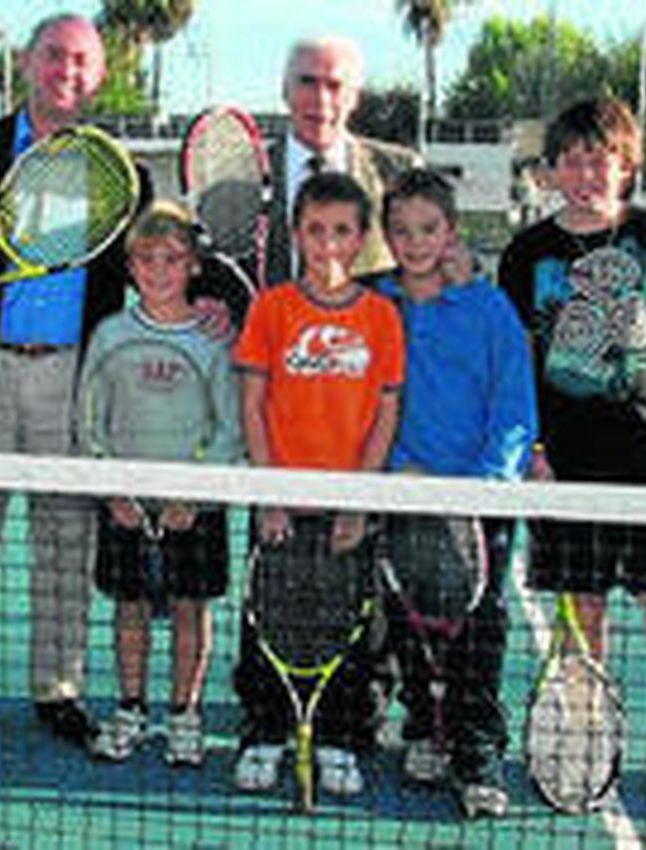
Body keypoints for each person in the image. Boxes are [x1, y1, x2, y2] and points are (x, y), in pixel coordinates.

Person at [0, 12, 148, 750]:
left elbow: (162, 266)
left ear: (100, 75)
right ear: (27, 62)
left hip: (72, 380)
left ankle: (59, 688)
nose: (66, 72)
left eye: (82, 61)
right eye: (54, 56)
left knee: (63, 543)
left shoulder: (124, 175)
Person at [497, 96, 646, 819]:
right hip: (567, 463)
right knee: (582, 607)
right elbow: (518, 360)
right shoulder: (527, 253)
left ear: (626, 164)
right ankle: (583, 737)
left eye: (599, 157)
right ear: (552, 171)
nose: (585, 171)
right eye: (570, 158)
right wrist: (532, 447)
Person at [230, 171, 402, 798]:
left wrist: (359, 499)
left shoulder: (381, 316)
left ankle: (340, 737)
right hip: (280, 502)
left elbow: (386, 411)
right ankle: (264, 732)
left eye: (342, 231)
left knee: (349, 627)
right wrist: (270, 491)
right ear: (296, 234)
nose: (328, 243)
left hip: (347, 506)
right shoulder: (271, 307)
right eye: (315, 230)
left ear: (360, 239)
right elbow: (252, 405)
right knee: (269, 622)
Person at [375, 169, 536, 819]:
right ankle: (423, 726)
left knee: (480, 628)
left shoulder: (488, 307)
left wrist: (485, 485)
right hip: (402, 496)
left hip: (476, 504)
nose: (416, 243)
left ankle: (476, 749)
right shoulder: (374, 305)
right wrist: (394, 473)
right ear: (387, 237)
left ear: (452, 233)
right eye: (402, 230)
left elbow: (513, 401)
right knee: (408, 619)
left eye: (429, 229)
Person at [77, 201, 242, 767]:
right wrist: (113, 490)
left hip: (194, 508)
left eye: (172, 259)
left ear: (193, 266)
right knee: (130, 611)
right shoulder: (110, 334)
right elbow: (88, 421)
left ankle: (184, 716)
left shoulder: (214, 339)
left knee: (192, 611)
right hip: (126, 504)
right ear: (130, 266)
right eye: (146, 259)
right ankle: (129, 709)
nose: (159, 270)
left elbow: (229, 427)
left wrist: (192, 494)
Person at [265, 36, 421, 284]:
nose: (320, 100)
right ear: (285, 90)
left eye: (334, 86)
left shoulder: (398, 172)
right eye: (307, 82)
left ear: (354, 98)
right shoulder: (244, 175)